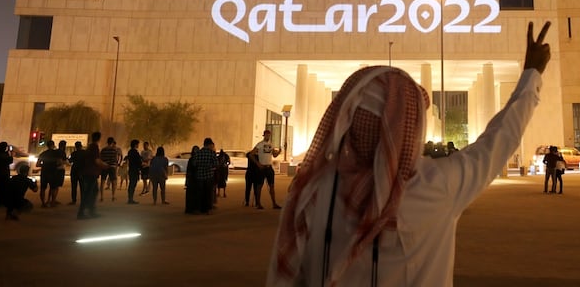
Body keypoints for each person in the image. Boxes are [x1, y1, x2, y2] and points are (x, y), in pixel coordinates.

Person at [267, 21, 551, 286]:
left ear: (348, 122)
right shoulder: (438, 186)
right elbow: (499, 139)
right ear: (409, 127)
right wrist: (531, 75)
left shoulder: (315, 191)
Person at [78, 132, 108, 219]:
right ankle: (82, 212)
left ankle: (91, 210)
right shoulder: (94, 147)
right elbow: (97, 161)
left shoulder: (90, 147)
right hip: (91, 173)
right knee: (89, 193)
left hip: (89, 173)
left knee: (93, 191)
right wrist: (105, 165)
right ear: (99, 138)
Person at [251, 129, 281, 210]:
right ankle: (258, 203)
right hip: (262, 167)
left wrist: (279, 152)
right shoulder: (260, 144)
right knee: (259, 186)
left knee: (272, 186)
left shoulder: (271, 144)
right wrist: (258, 164)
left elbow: (274, 155)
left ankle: (274, 203)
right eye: (266, 135)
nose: (268, 136)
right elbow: (251, 154)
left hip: (269, 167)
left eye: (269, 135)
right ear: (264, 135)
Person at [188, 138, 218, 214]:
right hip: (209, 176)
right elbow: (216, 164)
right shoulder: (212, 153)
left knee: (200, 193)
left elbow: (194, 164)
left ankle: (199, 209)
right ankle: (206, 210)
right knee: (207, 193)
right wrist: (210, 167)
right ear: (210, 144)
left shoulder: (198, 153)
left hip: (199, 176)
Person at [37, 142, 61, 207]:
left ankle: (43, 203)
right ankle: (52, 202)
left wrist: (44, 165)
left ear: (47, 146)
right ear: (53, 145)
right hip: (53, 172)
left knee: (43, 188)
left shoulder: (43, 154)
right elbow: (59, 163)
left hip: (44, 172)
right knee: (54, 188)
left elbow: (38, 164)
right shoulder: (56, 153)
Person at [99, 137, 121, 201]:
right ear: (112, 142)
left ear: (107, 142)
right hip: (112, 167)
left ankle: (102, 197)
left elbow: (101, 157)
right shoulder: (114, 150)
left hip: (104, 166)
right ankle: (113, 196)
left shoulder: (103, 149)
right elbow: (115, 159)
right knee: (113, 182)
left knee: (102, 181)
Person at [126, 139, 143, 204]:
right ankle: (131, 199)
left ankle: (130, 198)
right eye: (138, 144)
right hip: (134, 170)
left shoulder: (130, 152)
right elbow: (138, 162)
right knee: (133, 184)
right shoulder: (135, 152)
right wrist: (141, 167)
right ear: (135, 144)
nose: (138, 145)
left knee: (131, 184)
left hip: (131, 169)